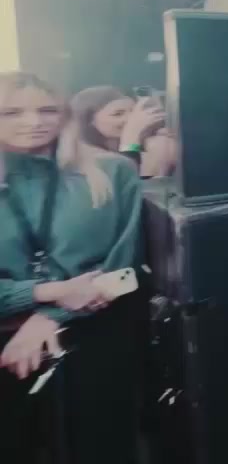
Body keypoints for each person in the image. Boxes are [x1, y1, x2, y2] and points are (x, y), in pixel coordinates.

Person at [0, 73, 144, 463]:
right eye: (12, 112)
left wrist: (50, 317)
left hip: (94, 337)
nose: (34, 121)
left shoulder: (111, 171)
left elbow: (125, 267)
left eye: (47, 110)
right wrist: (44, 293)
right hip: (8, 346)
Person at [68, 86, 174, 178]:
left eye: (133, 111)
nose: (131, 119)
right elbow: (126, 187)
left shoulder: (150, 147)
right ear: (89, 121)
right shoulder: (84, 160)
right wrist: (130, 140)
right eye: (118, 114)